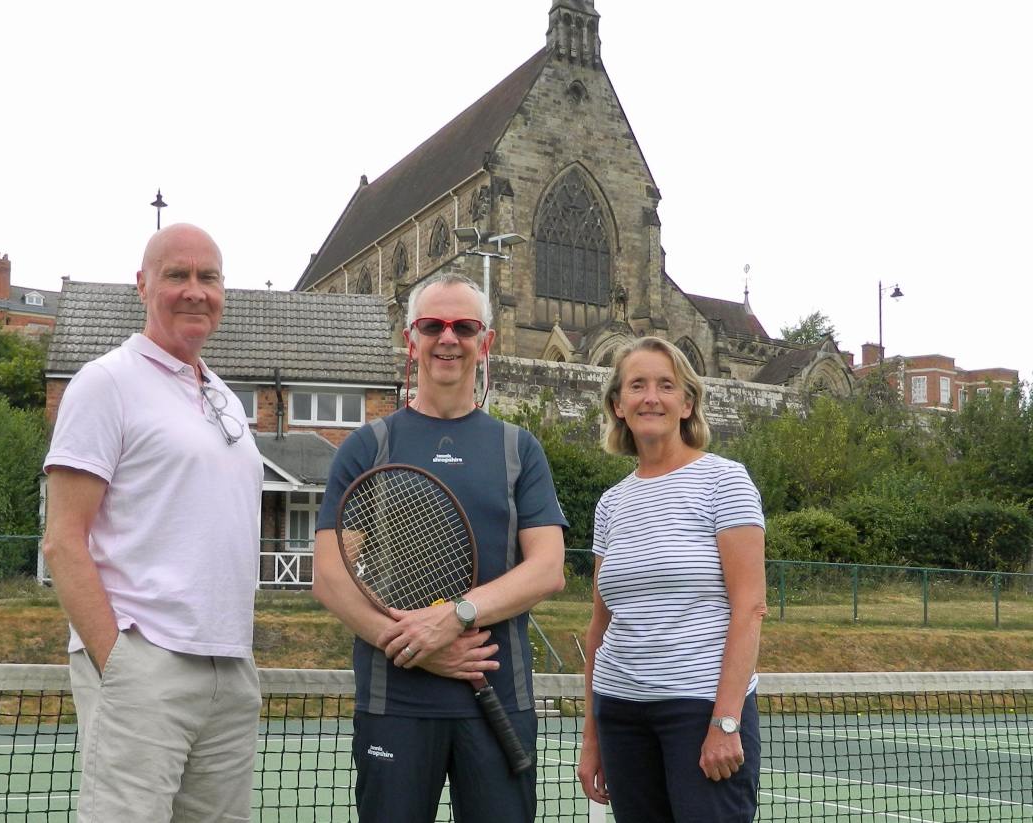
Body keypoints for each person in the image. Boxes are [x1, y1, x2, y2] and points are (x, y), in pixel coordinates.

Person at [312, 272, 568, 823]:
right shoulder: (367, 447)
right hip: (396, 702)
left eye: (464, 326)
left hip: (499, 703)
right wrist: (413, 643)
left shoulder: (518, 450)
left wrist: (454, 618)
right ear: (411, 339)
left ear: (486, 341)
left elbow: (547, 569)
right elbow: (332, 576)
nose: (447, 338)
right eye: (432, 325)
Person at [41, 224, 263, 822]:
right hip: (145, 666)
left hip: (230, 669)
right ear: (143, 286)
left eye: (208, 278)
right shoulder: (105, 383)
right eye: (177, 275)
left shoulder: (225, 399)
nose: (195, 291)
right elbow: (63, 540)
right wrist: (120, 665)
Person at [577, 336, 767, 822]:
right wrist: (592, 739)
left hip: (700, 711)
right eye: (636, 385)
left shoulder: (725, 481)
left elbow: (749, 608)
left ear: (687, 403)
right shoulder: (611, 504)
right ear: (618, 405)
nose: (651, 397)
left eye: (666, 385)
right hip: (621, 712)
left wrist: (726, 722)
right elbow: (600, 629)